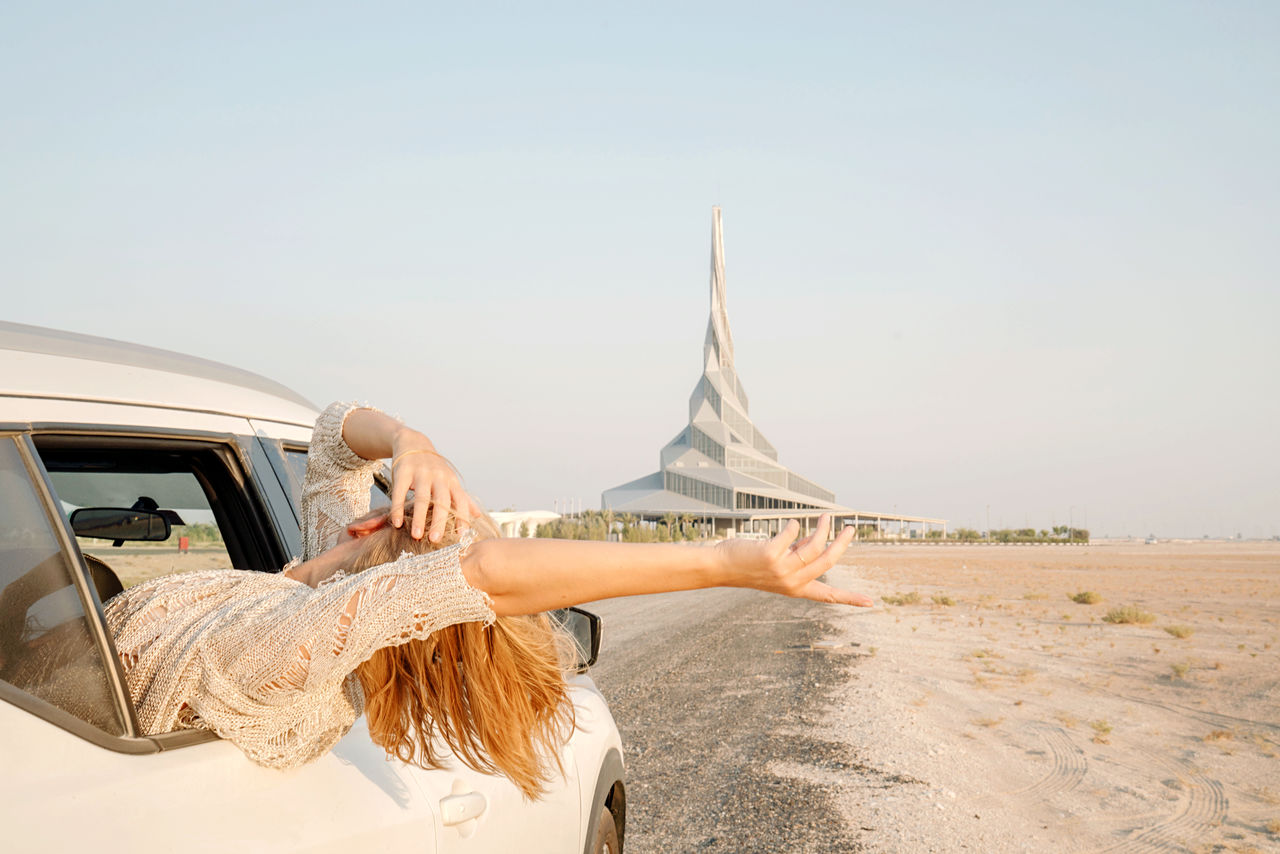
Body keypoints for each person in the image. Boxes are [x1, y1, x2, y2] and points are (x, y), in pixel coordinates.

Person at [106, 402, 871, 797]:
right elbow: (335, 434)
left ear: (415, 605)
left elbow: (488, 570)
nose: (452, 517)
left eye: (452, 531)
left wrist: (723, 563)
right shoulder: (319, 581)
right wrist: (415, 442)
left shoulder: (295, 660)